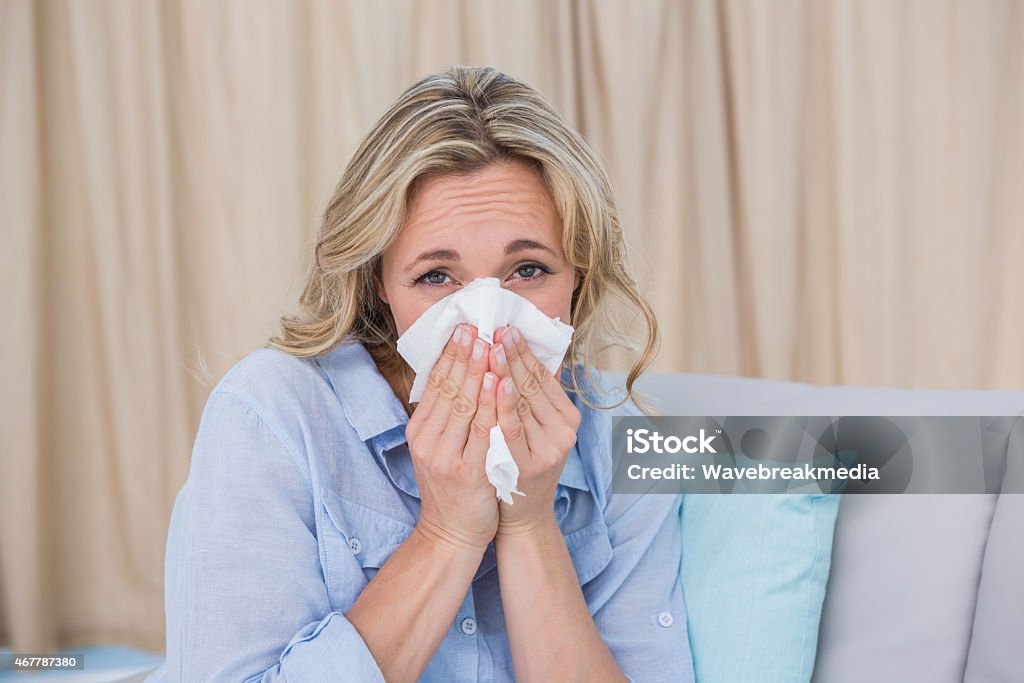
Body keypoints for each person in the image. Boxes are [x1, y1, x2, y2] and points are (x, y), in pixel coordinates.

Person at [148, 65, 693, 682]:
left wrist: (530, 521)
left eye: (529, 269)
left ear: (580, 275)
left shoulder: (620, 429)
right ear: (379, 285)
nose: (487, 319)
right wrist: (447, 533)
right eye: (437, 276)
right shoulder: (271, 413)